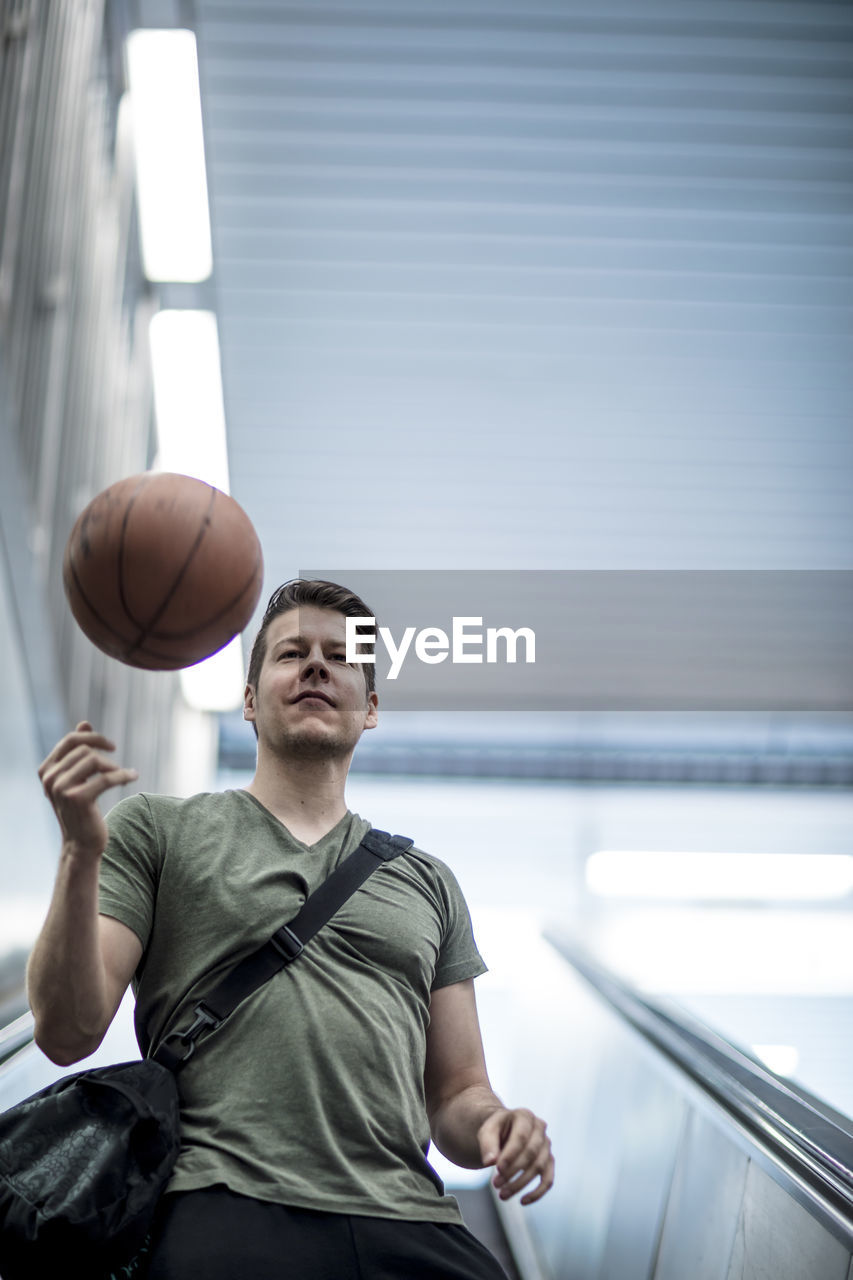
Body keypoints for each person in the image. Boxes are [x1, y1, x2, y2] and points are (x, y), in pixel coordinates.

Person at [27, 578, 554, 1279]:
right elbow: (66, 1032)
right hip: (222, 1208)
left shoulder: (428, 882)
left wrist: (495, 1123)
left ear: (369, 708)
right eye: (290, 654)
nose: (314, 666)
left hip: (409, 1222)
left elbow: (457, 1092)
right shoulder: (159, 831)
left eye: (339, 657)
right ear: (249, 701)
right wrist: (78, 853)